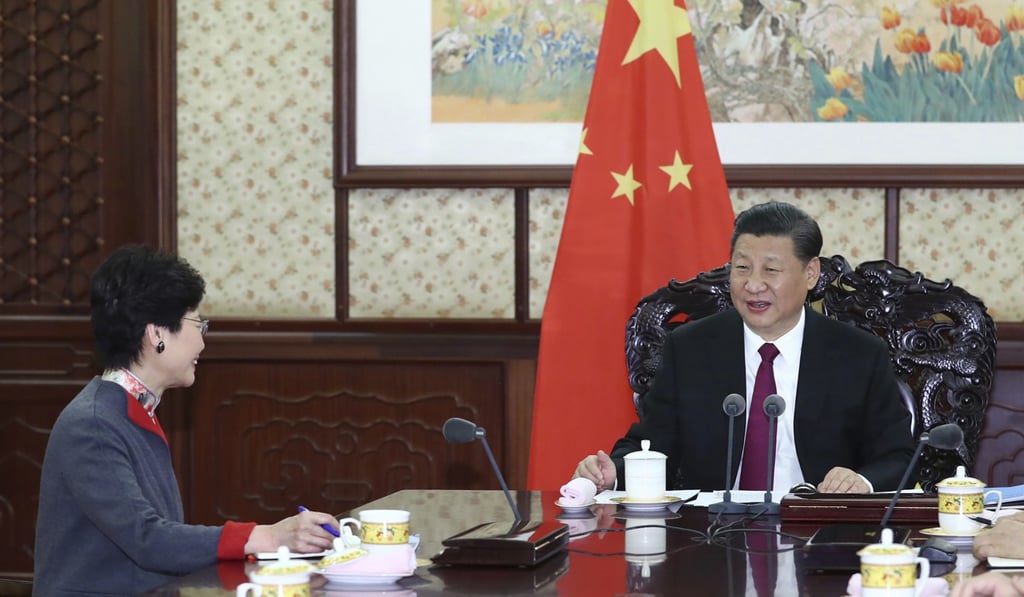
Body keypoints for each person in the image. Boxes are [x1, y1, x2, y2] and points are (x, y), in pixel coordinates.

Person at [33, 245, 340, 595]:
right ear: (156, 334)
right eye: (197, 324)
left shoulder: (130, 410)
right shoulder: (93, 425)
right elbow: (148, 538)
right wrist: (269, 537)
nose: (202, 343)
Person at [574, 201, 915, 494]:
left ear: (811, 273)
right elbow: (653, 443)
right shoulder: (691, 348)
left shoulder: (858, 354)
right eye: (741, 268)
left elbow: (898, 457)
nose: (753, 285)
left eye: (771, 270)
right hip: (713, 534)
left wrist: (860, 480)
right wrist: (614, 472)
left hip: (820, 532)